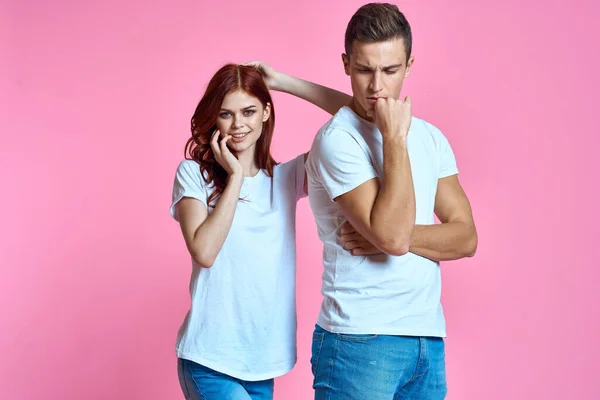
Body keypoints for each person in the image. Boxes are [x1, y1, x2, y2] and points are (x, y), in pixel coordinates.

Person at [304, 3, 478, 399]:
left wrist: (394, 235)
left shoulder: (431, 138)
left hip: (426, 339)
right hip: (360, 340)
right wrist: (394, 139)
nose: (377, 87)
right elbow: (395, 240)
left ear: (410, 64)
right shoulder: (337, 140)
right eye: (364, 70)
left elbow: (466, 238)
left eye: (390, 70)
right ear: (346, 64)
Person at [169, 63, 353, 400]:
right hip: (209, 359)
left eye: (249, 111)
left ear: (266, 112)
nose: (238, 124)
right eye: (226, 114)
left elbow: (361, 118)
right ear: (214, 118)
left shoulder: (287, 178)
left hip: (261, 364)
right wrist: (236, 177)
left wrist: (284, 82)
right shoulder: (193, 175)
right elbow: (205, 252)